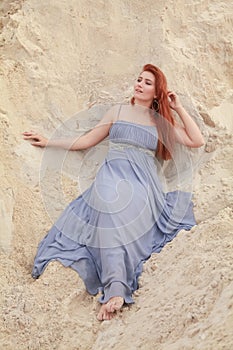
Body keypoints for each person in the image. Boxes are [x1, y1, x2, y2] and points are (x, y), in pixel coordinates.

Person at [23, 64, 205, 321]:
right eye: (139, 79)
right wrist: (48, 141)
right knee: (108, 210)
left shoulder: (160, 121)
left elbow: (196, 140)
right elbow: (85, 141)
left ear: (157, 92)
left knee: (128, 222)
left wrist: (178, 108)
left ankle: (117, 289)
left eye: (148, 83)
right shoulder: (117, 111)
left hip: (143, 185)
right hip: (111, 178)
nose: (140, 84)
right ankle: (115, 288)